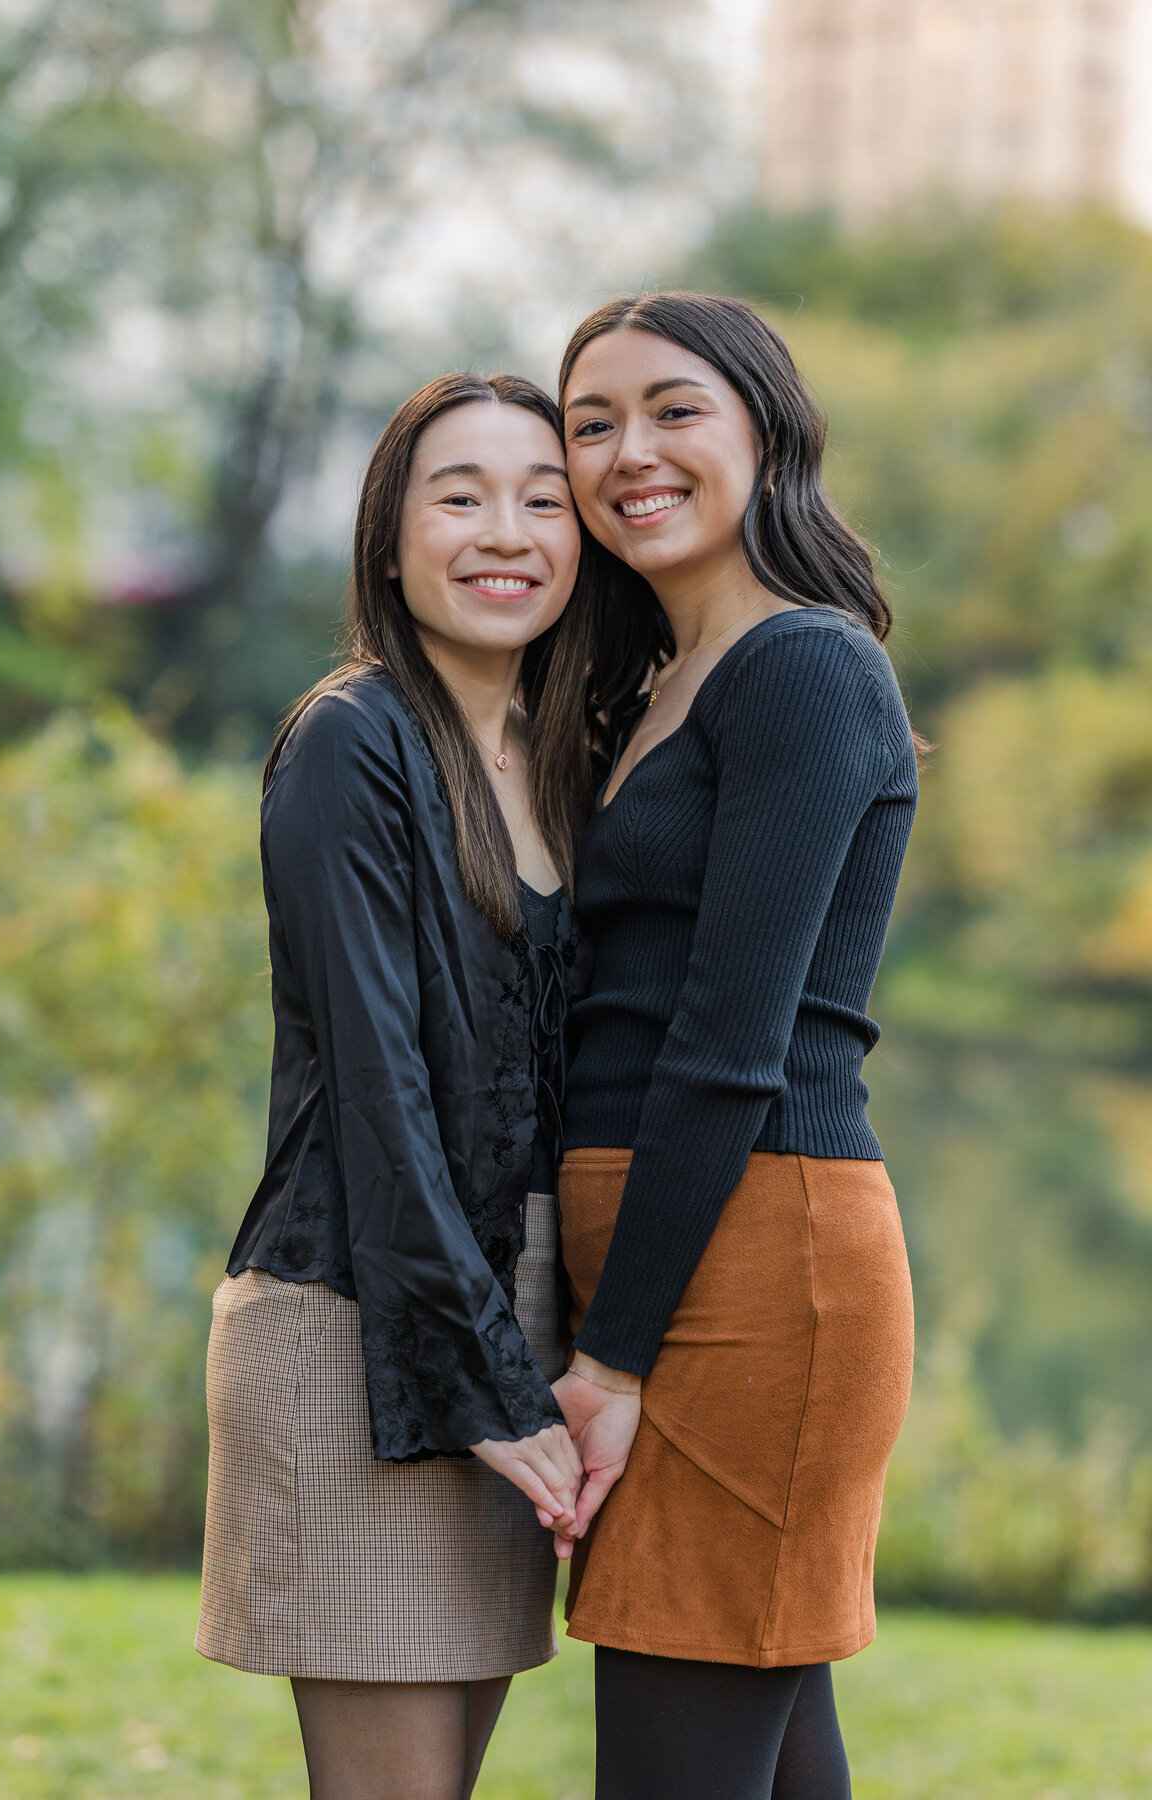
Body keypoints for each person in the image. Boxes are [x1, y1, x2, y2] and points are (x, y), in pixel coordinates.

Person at [196, 371, 598, 1800]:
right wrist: (491, 1383)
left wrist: (541, 1354)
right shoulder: (352, 742)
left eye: (544, 500)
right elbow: (380, 1094)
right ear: (388, 539)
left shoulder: (563, 751)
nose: (508, 531)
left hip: (508, 1316)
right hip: (363, 1319)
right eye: (462, 495)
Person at [550, 293, 920, 1800]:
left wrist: (615, 1351)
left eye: (673, 408)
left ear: (766, 430)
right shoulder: (651, 683)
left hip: (751, 1268)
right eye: (591, 422)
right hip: (681, 1249)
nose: (628, 450)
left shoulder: (805, 669)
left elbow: (728, 1046)